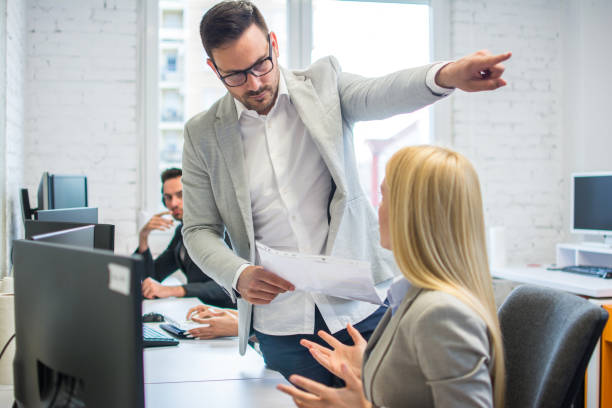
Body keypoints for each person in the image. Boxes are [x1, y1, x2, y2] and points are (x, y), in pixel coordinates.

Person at [181, 0, 511, 385]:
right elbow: (198, 229)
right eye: (235, 76)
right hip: (282, 325)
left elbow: (381, 93)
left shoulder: (323, 85)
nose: (254, 83)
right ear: (213, 69)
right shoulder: (202, 133)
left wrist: (449, 74)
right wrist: (237, 273)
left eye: (260, 65)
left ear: (273, 43)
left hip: (361, 307)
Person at [277, 145, 506, 407]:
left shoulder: (443, 314)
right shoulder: (412, 294)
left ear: (411, 213)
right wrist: (371, 363)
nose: (378, 208)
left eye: (383, 197)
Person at [136, 168, 235, 309]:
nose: (174, 203)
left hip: (225, 315)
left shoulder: (219, 228)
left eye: (180, 195)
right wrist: (143, 236)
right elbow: (153, 276)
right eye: (168, 197)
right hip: (197, 311)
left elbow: (231, 285)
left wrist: (174, 290)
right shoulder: (181, 232)